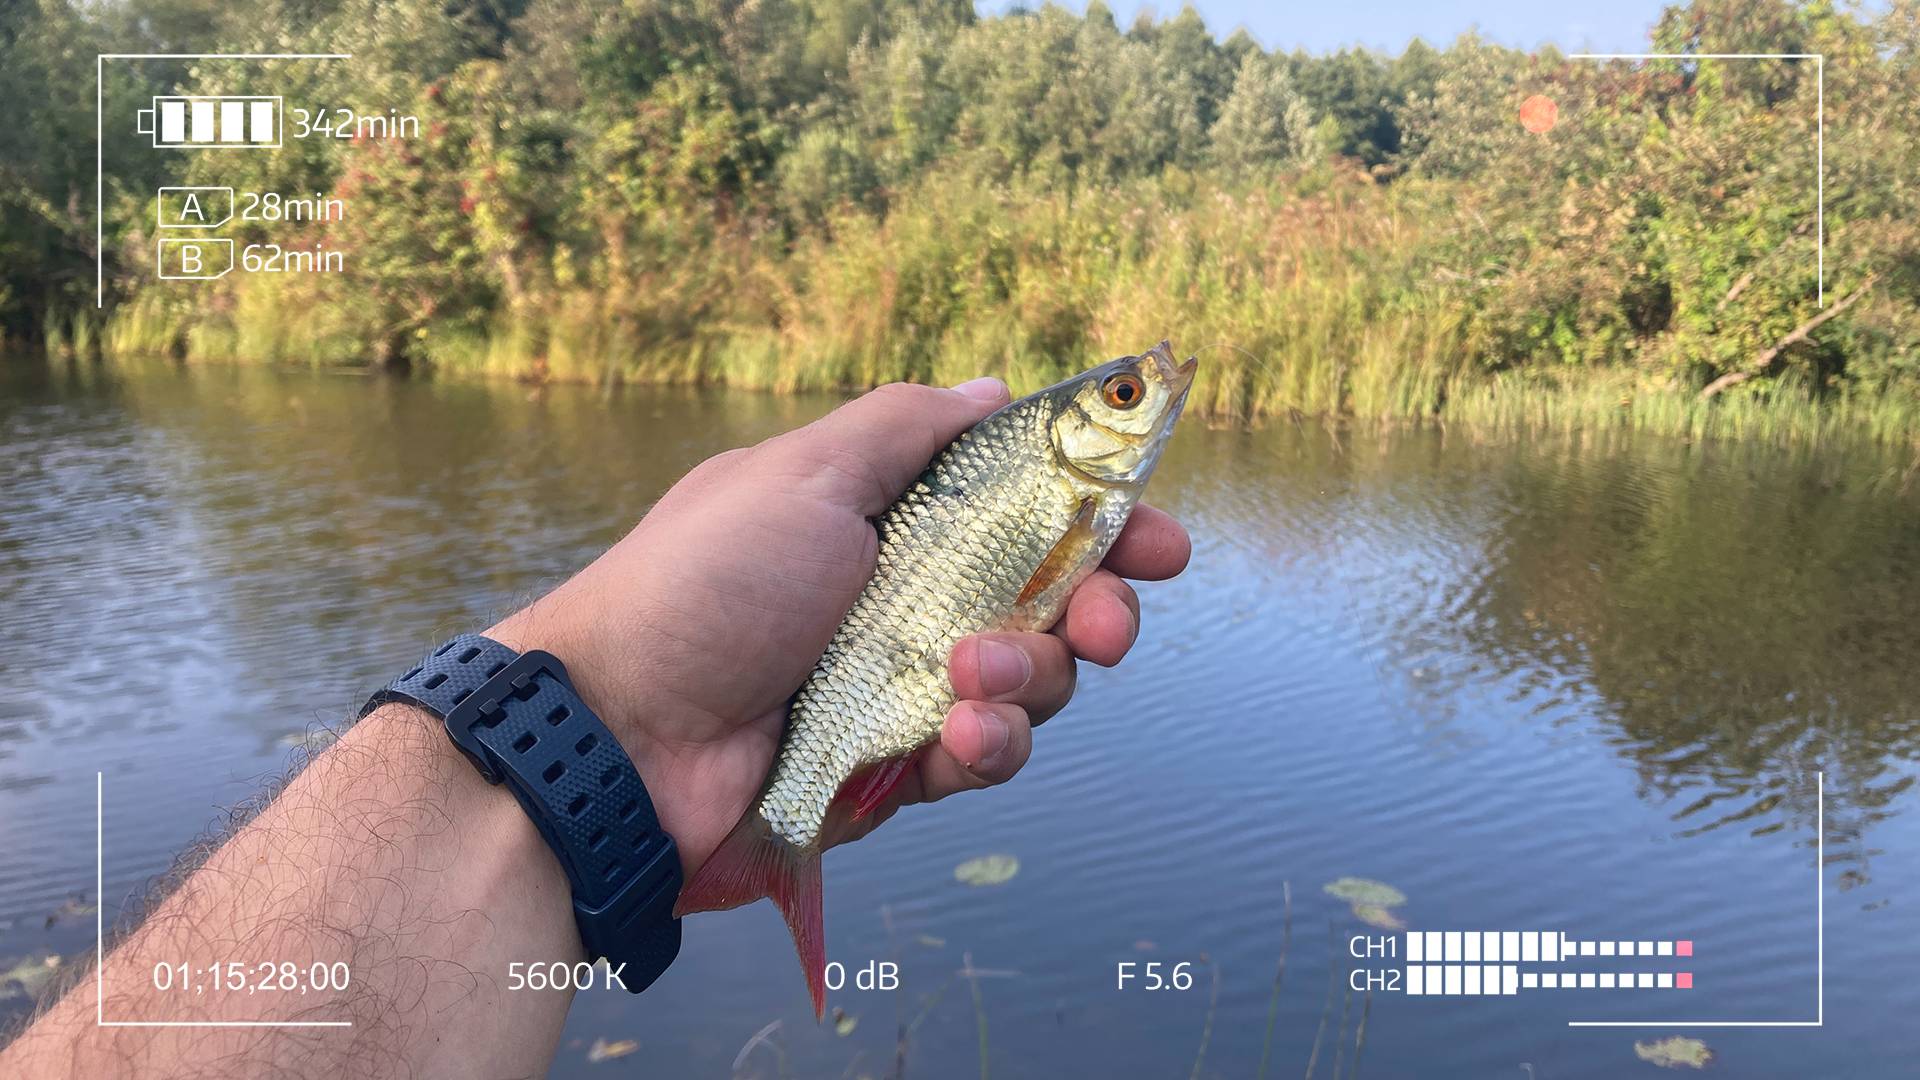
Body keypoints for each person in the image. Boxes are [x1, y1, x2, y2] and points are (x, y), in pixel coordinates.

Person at [0, 377, 1190, 1078]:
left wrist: (593, 740)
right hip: (817, 711)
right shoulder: (1036, 459)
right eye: (1121, 396)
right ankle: (782, 835)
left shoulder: (1071, 488)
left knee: (992, 680)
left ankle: (781, 829)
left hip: (834, 704)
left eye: (1128, 394)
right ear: (1076, 428)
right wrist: (611, 721)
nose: (1140, 398)